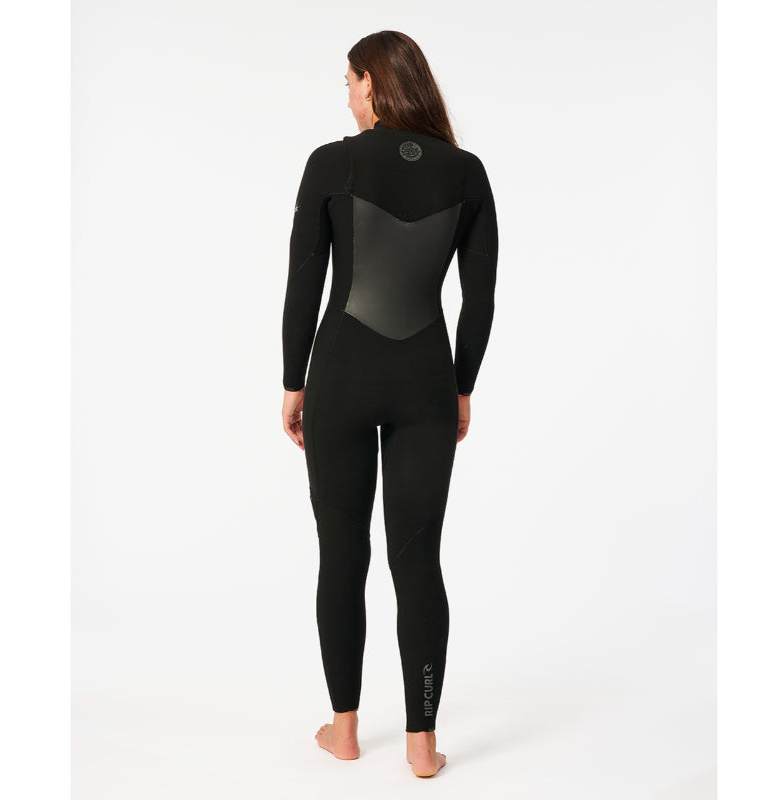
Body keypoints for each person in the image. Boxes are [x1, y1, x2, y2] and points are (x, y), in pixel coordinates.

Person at [281, 30, 498, 778]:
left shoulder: (331, 163)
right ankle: (422, 745)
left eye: (348, 81)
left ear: (372, 81)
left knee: (342, 552)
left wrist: (293, 382)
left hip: (339, 378)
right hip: (425, 384)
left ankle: (343, 731)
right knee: (418, 559)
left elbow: (303, 282)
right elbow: (480, 300)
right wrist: (461, 386)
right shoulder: (466, 172)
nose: (346, 94)